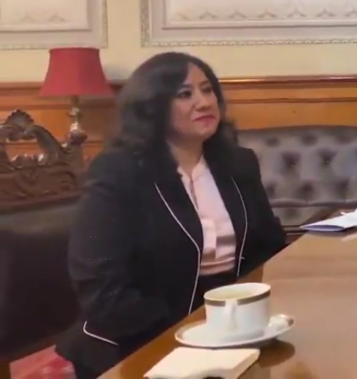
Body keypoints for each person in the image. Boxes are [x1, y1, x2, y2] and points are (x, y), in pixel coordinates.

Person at [56, 52, 287, 378]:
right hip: (135, 339)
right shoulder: (117, 173)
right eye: (184, 94)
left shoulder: (239, 163)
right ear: (152, 107)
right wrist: (194, 327)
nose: (203, 102)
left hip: (230, 330)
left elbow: (269, 248)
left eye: (207, 90)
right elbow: (102, 291)